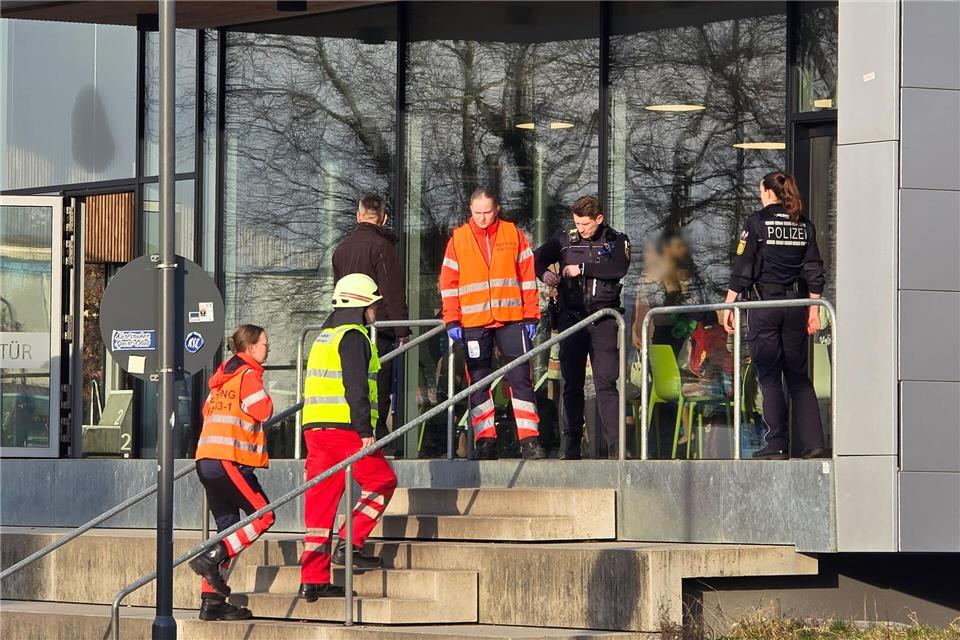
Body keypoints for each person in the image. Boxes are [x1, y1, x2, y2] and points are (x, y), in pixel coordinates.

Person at [298, 273, 398, 601]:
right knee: (382, 481)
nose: (376, 311)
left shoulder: (323, 338)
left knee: (320, 506)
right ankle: (351, 541)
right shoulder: (354, 337)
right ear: (360, 305)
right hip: (346, 430)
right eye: (373, 304)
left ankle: (312, 580)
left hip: (315, 429)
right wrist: (366, 431)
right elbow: (355, 388)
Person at [722, 170, 827, 460]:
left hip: (763, 306)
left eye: (760, 191)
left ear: (769, 193)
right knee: (798, 376)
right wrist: (813, 310)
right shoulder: (804, 225)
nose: (760, 196)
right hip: (795, 306)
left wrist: (728, 305)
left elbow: (744, 267)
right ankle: (815, 443)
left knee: (768, 374)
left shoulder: (756, 223)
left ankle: (777, 443)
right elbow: (814, 271)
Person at [438, 188, 546, 460]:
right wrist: (451, 318)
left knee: (520, 378)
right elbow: (448, 284)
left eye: (487, 212)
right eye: (477, 213)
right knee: (478, 381)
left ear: (496, 209)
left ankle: (529, 439)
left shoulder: (514, 235)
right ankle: (485, 441)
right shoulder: (458, 239)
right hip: (474, 322)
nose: (482, 218)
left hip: (511, 319)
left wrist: (531, 314)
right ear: (470, 210)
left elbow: (527, 278)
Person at [189, 324, 275, 621]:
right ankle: (211, 557)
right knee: (264, 515)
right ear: (250, 348)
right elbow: (263, 411)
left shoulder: (220, 379)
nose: (268, 348)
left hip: (206, 460)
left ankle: (211, 601)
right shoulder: (248, 375)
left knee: (228, 528)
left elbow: (205, 412)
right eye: (265, 343)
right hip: (228, 461)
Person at [534, 196, 630, 459]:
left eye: (586, 224)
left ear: (599, 219)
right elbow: (537, 258)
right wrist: (545, 275)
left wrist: (582, 268)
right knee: (571, 384)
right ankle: (571, 444)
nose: (582, 229)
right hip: (572, 318)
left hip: (603, 320)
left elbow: (618, 267)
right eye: (577, 223)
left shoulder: (616, 239)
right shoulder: (566, 239)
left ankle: (617, 446)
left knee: (606, 383)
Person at [333, 194, 409, 457]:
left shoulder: (341, 249)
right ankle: (375, 437)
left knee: (354, 380)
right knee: (379, 383)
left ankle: (358, 433)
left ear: (358, 215)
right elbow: (393, 291)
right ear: (384, 218)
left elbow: (338, 290)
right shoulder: (382, 247)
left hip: (346, 325)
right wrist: (402, 329)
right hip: (380, 328)